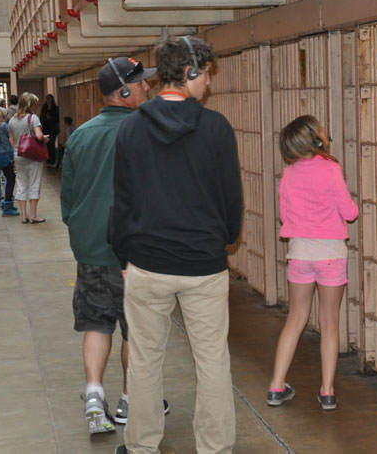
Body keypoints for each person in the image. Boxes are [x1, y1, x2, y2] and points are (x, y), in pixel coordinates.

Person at [109, 36, 243, 454]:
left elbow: (122, 201)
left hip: (147, 264)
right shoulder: (216, 127)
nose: (209, 83)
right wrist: (223, 240)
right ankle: (214, 448)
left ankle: (141, 446)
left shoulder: (131, 128)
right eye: (206, 74)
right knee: (212, 360)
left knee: (146, 359)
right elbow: (231, 198)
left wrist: (124, 255)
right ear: (189, 72)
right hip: (203, 265)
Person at [60, 57, 168, 435]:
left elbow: (69, 199)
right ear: (123, 91)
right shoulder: (146, 133)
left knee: (96, 323)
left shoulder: (81, 135)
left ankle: (94, 397)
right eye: (140, 83)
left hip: (90, 247)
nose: (147, 88)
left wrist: (85, 231)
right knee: (134, 329)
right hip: (134, 253)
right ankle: (128, 400)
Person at [266, 115, 358, 411]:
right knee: (329, 322)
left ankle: (276, 386)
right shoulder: (331, 169)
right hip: (330, 254)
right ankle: (327, 391)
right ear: (315, 139)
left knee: (295, 319)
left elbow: (285, 215)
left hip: (300, 254)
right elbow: (350, 212)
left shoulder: (289, 173)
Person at [8, 92, 48, 223]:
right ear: (31, 104)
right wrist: (44, 138)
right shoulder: (33, 118)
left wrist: (17, 148)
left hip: (18, 155)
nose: (36, 106)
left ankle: (23, 215)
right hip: (33, 156)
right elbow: (38, 135)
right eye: (35, 103)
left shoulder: (12, 119)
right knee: (34, 183)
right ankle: (34, 215)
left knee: (21, 184)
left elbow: (11, 139)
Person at [0, 107, 19, 217]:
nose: (8, 116)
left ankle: (8, 204)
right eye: (6, 114)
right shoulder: (4, 126)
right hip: (6, 154)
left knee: (9, 178)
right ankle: (7, 206)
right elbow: (12, 138)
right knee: (11, 179)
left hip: (0, 155)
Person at [40, 93, 59, 168]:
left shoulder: (55, 107)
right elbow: (42, 117)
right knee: (46, 145)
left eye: (49, 98)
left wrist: (51, 118)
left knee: (51, 144)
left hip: (53, 129)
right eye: (46, 98)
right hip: (46, 128)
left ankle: (53, 161)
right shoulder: (44, 107)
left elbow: (57, 118)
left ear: (52, 99)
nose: (47, 100)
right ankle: (48, 161)